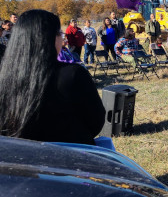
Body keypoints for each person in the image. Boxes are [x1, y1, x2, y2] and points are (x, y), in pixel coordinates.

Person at [0, 9, 105, 145]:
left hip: (19, 159)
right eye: (60, 33)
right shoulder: (73, 74)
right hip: (71, 157)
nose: (62, 38)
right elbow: (96, 121)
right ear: (49, 38)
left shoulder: (4, 75)